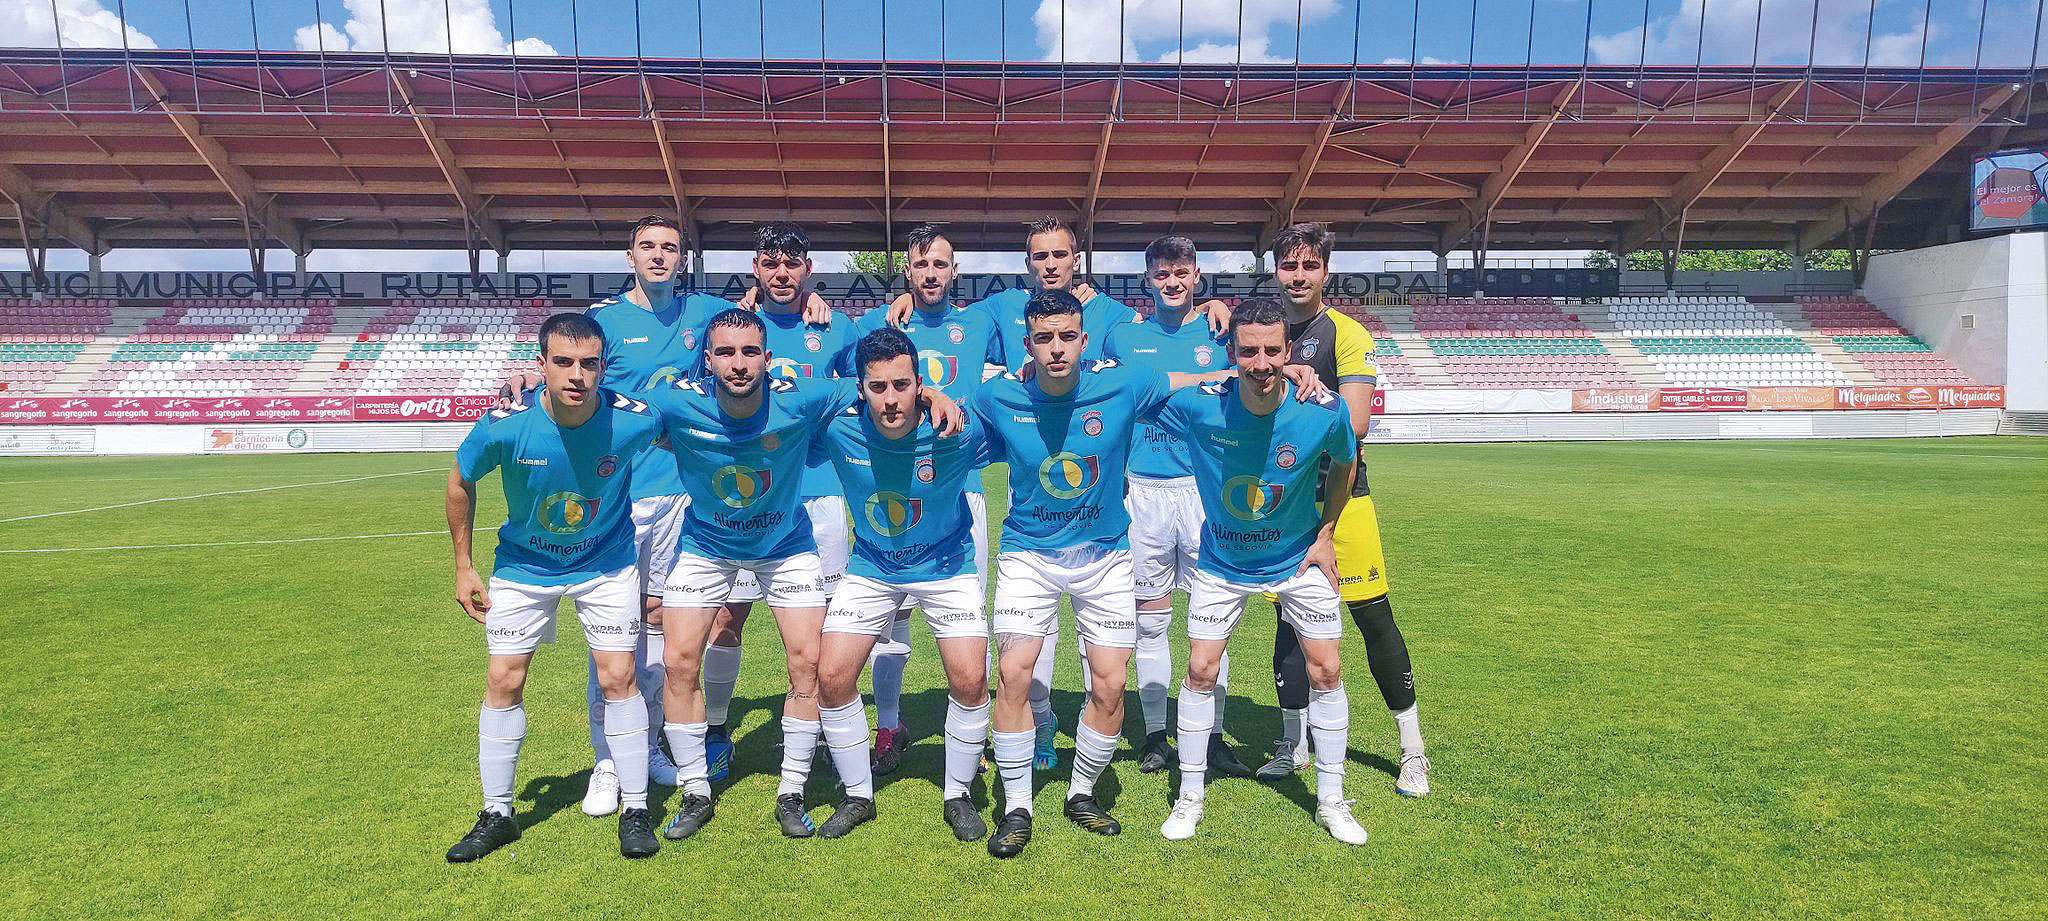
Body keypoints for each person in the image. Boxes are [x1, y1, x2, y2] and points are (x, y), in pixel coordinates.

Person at [967, 290, 1316, 857]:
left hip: (1105, 555)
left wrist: (1269, 367)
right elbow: (945, 417)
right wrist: (933, 394)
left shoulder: (1124, 383)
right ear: (1026, 344)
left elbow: (1193, 381)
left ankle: (1082, 793)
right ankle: (1017, 805)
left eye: (1066, 337)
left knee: (1108, 684)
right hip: (1028, 554)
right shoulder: (998, 396)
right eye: (1043, 338)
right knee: (1013, 673)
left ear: (1084, 340)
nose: (1056, 349)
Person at [644, 309, 963, 841]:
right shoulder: (677, 402)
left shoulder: (803, 396)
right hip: (707, 544)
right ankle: (695, 790)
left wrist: (932, 395)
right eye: (726, 352)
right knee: (679, 662)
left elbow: (881, 385)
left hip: (785, 546)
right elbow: (605, 408)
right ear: (707, 359)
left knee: (807, 663)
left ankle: (791, 790)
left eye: (750, 353)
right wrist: (533, 383)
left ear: (769, 359)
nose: (739, 364)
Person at [1147, 296, 1369, 845]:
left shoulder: (1321, 409)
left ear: (1290, 352)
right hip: (1221, 562)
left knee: (1327, 672)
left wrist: (1326, 532)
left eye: (1273, 351)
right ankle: (1190, 798)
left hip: (1297, 558)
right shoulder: (1201, 405)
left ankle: (1332, 800)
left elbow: (1347, 461)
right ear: (1232, 353)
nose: (1262, 363)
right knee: (1200, 671)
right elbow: (1134, 389)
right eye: (1249, 352)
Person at [443, 313, 665, 862]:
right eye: (563, 362)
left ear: (603, 368)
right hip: (523, 567)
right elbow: (459, 480)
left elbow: (693, 431)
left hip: (606, 564)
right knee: (503, 678)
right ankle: (497, 813)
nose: (576, 375)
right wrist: (463, 566)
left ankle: (636, 808)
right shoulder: (505, 424)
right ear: (540, 365)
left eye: (589, 364)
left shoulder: (633, 420)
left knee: (620, 675)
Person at [1252, 224, 1430, 798]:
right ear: (1275, 269)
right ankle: (1292, 745)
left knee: (1373, 617)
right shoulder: (1263, 332)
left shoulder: (1346, 334)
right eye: (1288, 265)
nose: (1298, 276)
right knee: (1288, 625)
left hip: (1343, 501)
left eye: (1308, 266)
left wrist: (1300, 384)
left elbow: (1354, 425)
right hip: (1283, 505)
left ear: (1325, 271)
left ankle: (1412, 751)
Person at [809, 328, 999, 841]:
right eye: (877, 387)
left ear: (920, 383)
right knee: (832, 677)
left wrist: (945, 398)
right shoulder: (835, 429)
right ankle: (857, 795)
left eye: (902, 385)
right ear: (860, 388)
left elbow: (1023, 425)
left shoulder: (957, 431)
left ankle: (957, 793)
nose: (891, 400)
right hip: (872, 565)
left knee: (969, 679)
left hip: (947, 565)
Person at [574, 215, 732, 814]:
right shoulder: (605, 322)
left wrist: (817, 298)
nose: (660, 256)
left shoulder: (705, 315)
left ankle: (654, 743)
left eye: (670, 247)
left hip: (685, 494)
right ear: (630, 255)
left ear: (682, 257)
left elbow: (770, 318)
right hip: (620, 494)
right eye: (648, 247)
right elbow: (569, 376)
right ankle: (609, 760)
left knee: (666, 624)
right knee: (616, 632)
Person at [695, 223, 860, 783]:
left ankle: (828, 735)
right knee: (726, 617)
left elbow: (871, 389)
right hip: (749, 497)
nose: (782, 274)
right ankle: (716, 729)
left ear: (808, 268)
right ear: (757, 268)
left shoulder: (837, 327)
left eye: (793, 264)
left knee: (824, 631)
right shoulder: (732, 329)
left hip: (821, 493)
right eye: (771, 263)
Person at [852, 223, 1001, 775]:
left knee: (965, 616)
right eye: (921, 265)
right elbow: (853, 382)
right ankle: (888, 724)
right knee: (891, 619)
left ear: (955, 270)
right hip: (892, 487)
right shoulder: (879, 323)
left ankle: (973, 732)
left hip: (962, 490)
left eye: (941, 264)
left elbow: (1048, 326)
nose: (931, 274)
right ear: (907, 273)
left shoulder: (985, 321)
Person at [1102, 235, 1252, 778]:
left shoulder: (1219, 333)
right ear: (1148, 279)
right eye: (1162, 273)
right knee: (1150, 622)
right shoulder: (1124, 336)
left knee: (1210, 617)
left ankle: (1212, 737)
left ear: (1197, 277)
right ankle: (1158, 735)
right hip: (1142, 490)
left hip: (1202, 490)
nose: (1172, 281)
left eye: (1181, 272)